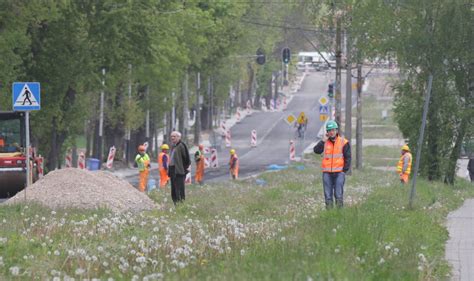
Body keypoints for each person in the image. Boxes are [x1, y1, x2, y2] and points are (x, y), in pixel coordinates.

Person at [313, 120, 351, 209]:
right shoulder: (324, 142)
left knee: (338, 195)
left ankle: (339, 214)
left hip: (339, 173)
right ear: (327, 132)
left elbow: (348, 157)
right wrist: (322, 141)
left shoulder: (343, 142)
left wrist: (344, 170)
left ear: (336, 130)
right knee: (328, 196)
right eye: (329, 130)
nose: (331, 132)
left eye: (333, 130)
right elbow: (316, 151)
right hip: (327, 173)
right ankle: (330, 214)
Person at [168, 131, 191, 205]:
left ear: (179, 137)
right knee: (173, 190)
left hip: (179, 171)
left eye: (174, 136)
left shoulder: (181, 146)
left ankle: (181, 204)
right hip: (172, 170)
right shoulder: (173, 146)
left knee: (179, 189)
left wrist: (183, 169)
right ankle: (176, 204)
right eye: (171, 136)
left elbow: (187, 159)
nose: (172, 138)